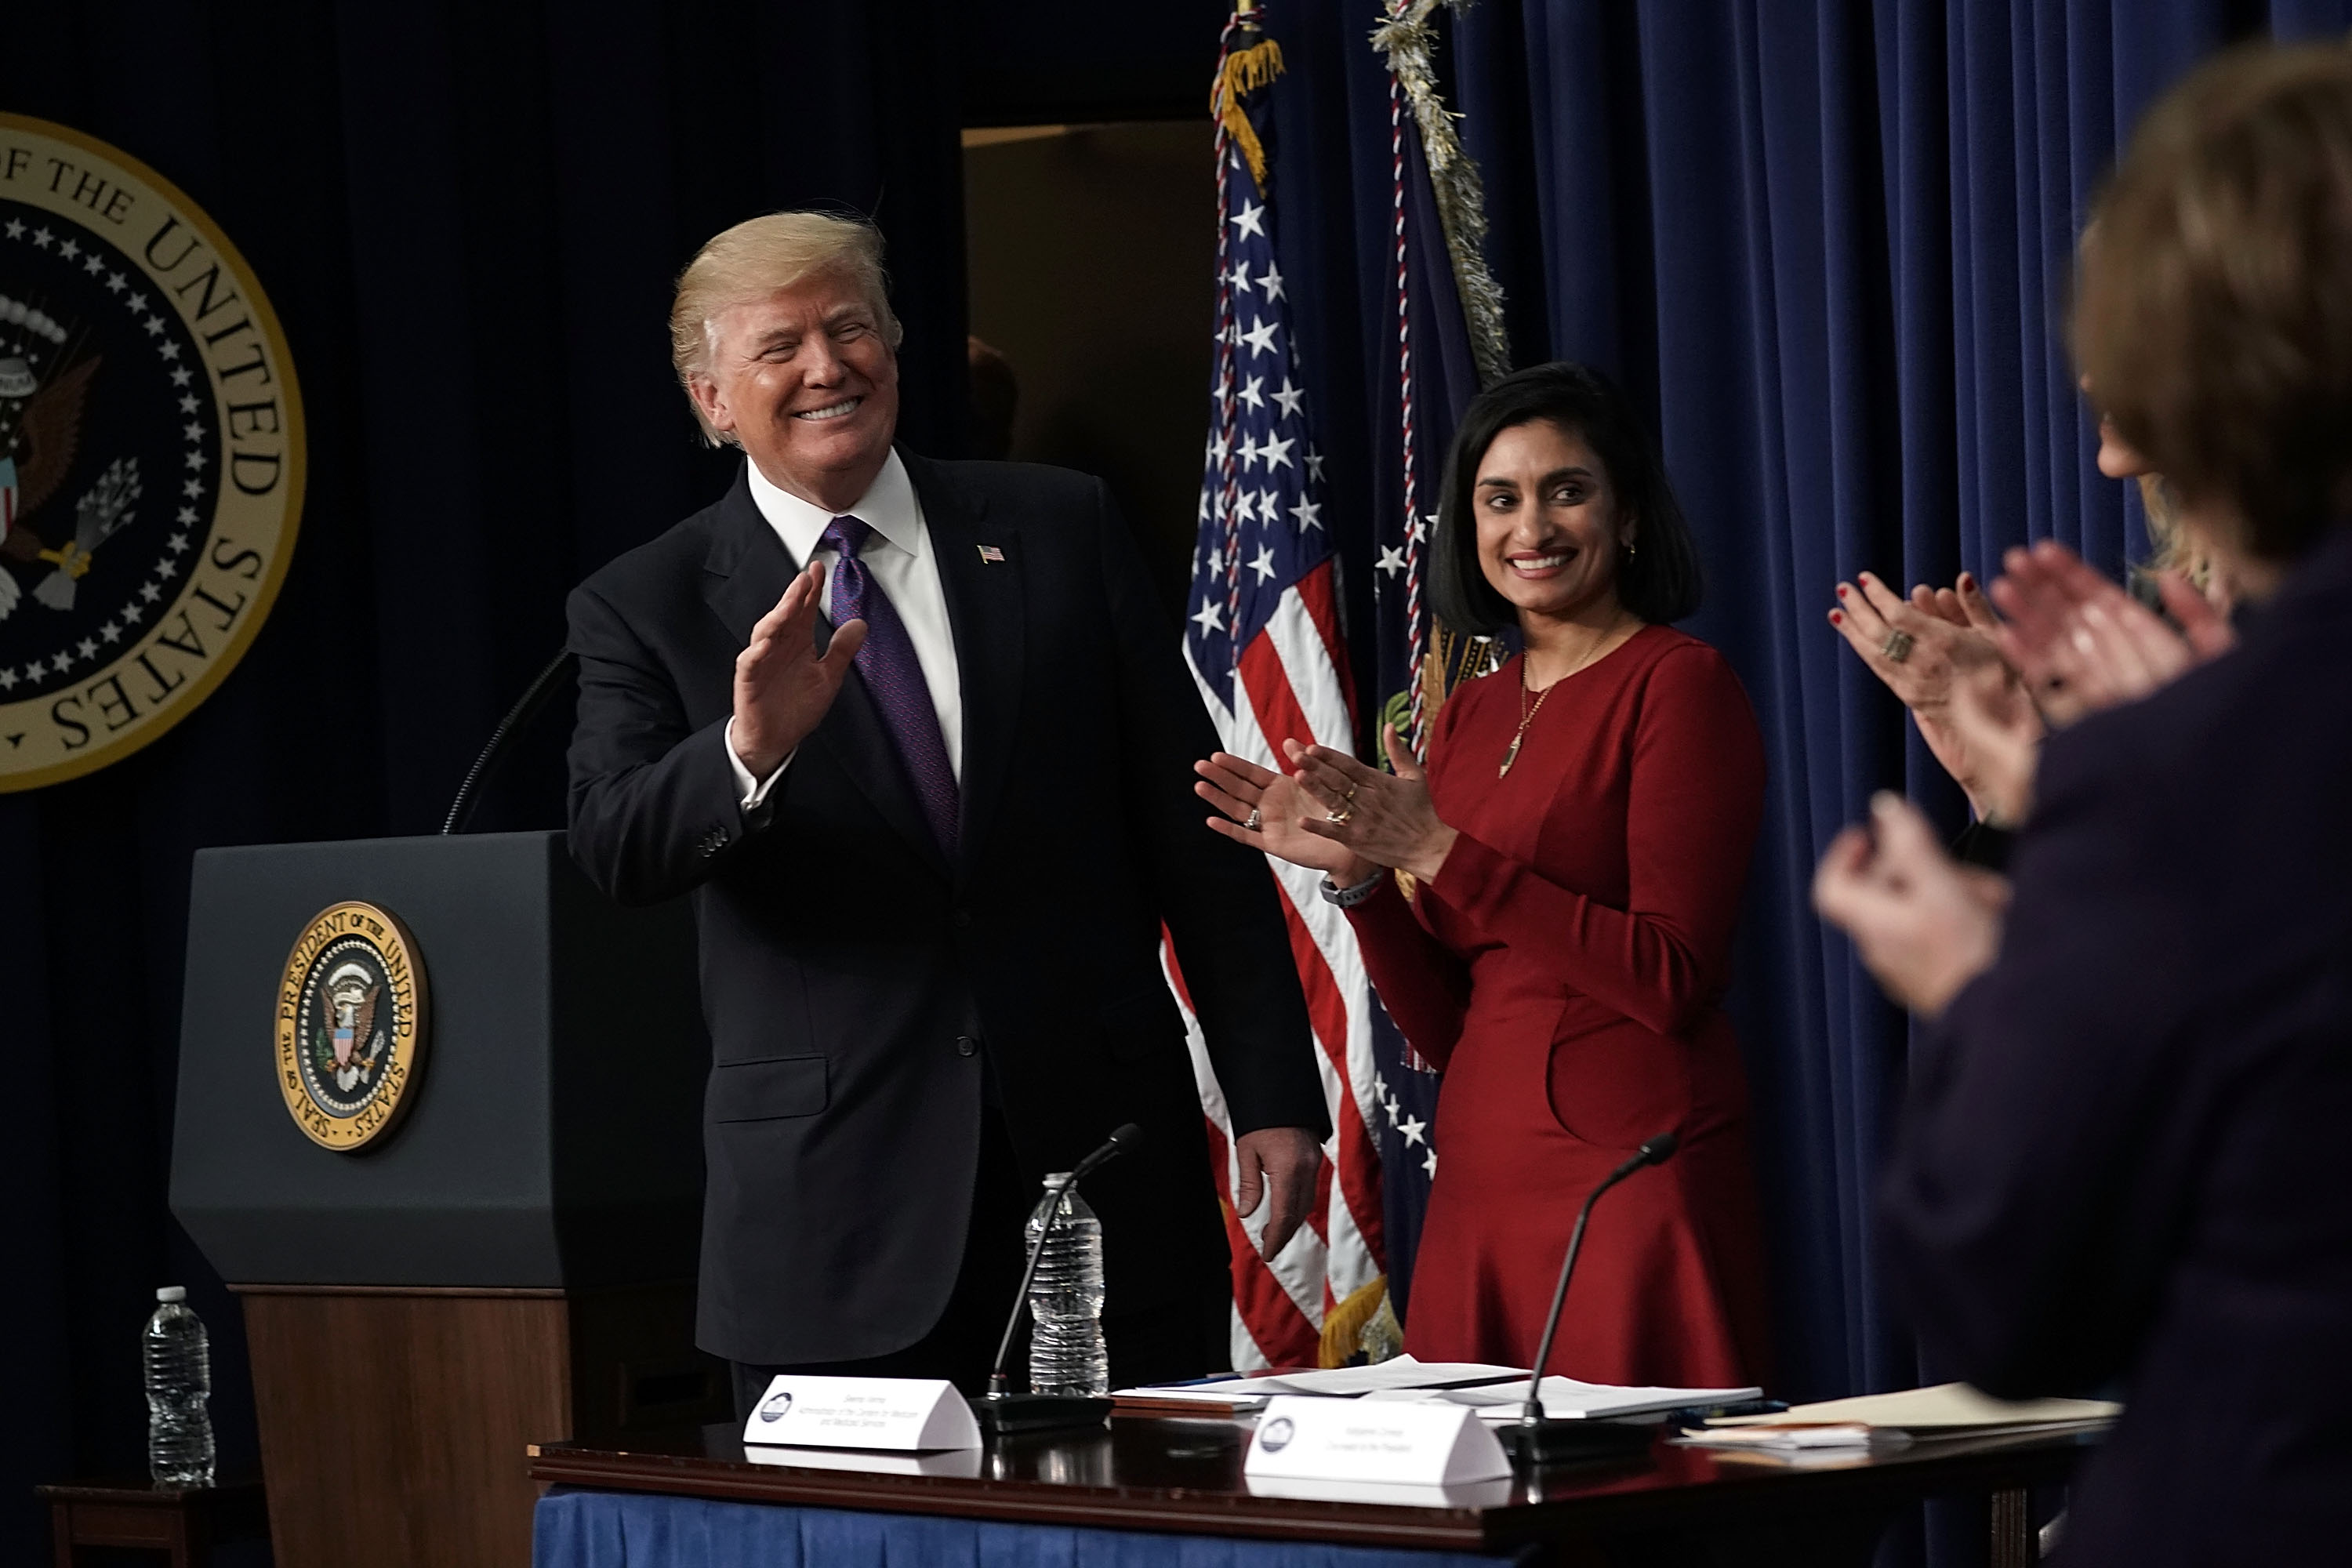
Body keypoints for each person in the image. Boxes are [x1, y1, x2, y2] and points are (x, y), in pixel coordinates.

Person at [564, 212, 1329, 1412]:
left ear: (896, 350)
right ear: (713, 399)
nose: (827, 368)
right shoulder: (645, 603)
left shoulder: (1057, 528)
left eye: (850, 327)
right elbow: (614, 846)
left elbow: (1194, 827)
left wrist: (1276, 1092)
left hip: (1102, 1181)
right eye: (781, 349)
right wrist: (746, 750)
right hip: (835, 1223)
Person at [1814, 42, 2352, 1565]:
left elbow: (2012, 1298)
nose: (2113, 453)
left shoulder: (2193, 768)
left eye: (2133, 404)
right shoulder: (2178, 762)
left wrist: (1992, 980)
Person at [1196, 363, 1769, 1387]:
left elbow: (1673, 976)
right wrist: (1367, 881)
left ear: (1627, 515)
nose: (1530, 527)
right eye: (1499, 499)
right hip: (1481, 1183)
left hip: (1627, 1176)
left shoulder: (1678, 686)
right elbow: (1453, 1026)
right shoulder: (1464, 719)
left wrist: (1444, 856)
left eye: (1567, 491)